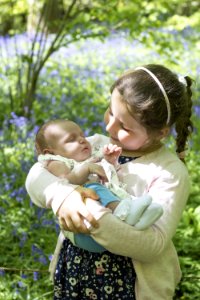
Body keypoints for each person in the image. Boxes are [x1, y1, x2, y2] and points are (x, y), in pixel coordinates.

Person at [25, 64, 193, 299]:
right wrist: (63, 197)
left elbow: (153, 244)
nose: (108, 126)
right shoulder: (94, 144)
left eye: (124, 126)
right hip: (76, 271)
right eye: (110, 111)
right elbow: (39, 171)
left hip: (129, 286)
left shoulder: (169, 172)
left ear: (161, 132)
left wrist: (91, 215)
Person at [35, 119, 162, 252]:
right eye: (71, 139)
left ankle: (138, 220)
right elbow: (66, 183)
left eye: (82, 136)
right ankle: (125, 213)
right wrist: (87, 168)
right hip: (84, 232)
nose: (82, 140)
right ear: (50, 152)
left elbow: (106, 177)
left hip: (104, 226)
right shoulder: (56, 162)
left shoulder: (88, 157)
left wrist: (109, 162)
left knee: (110, 191)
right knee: (94, 189)